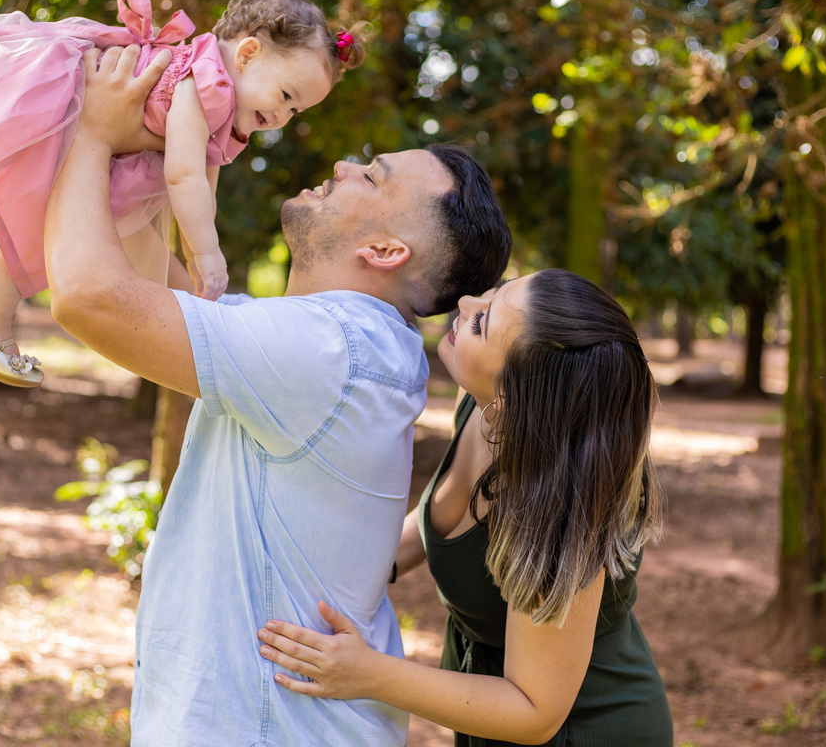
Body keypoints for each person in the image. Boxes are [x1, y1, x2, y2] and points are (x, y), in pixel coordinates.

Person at [42, 43, 511, 745]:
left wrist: (91, 134)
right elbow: (148, 288)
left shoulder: (335, 352)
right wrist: (145, 158)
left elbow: (88, 298)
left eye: (373, 176)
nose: (345, 166)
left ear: (386, 251)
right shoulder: (338, 345)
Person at [0, 0, 366, 388]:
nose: (281, 115)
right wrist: (207, 253)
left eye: (295, 109)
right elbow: (184, 173)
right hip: (62, 116)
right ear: (248, 54)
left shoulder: (221, 100)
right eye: (285, 95)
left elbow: (203, 182)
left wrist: (198, 245)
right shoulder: (203, 81)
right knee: (7, 220)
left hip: (64, 117)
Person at [256, 268, 673, 746]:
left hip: (580, 729)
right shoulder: (483, 403)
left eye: (482, 323)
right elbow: (442, 525)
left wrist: (367, 673)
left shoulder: (556, 508)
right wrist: (338, 567)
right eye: (495, 293)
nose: (468, 302)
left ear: (515, 399)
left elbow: (533, 711)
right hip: (487, 708)